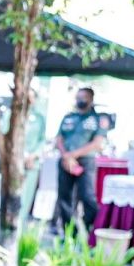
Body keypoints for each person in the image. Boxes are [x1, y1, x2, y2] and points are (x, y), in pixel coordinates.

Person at [55, 86, 106, 233]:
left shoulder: (98, 119)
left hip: (85, 162)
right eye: (78, 97)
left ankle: (86, 229)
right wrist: (66, 156)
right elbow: (59, 139)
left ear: (90, 99)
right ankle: (69, 233)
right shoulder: (69, 117)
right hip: (65, 161)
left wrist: (73, 155)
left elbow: (96, 143)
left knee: (88, 198)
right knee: (65, 199)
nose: (80, 100)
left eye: (83, 97)